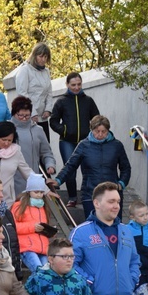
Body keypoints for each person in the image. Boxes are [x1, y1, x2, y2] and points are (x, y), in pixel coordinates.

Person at [50, 115, 131, 219]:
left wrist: (121, 184)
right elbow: (71, 165)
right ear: (91, 130)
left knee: (113, 228)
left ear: (108, 130)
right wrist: (58, 180)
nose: (100, 134)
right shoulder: (83, 145)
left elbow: (126, 168)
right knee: (93, 229)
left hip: (112, 193)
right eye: (97, 131)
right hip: (90, 193)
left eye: (104, 131)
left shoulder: (117, 145)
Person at [50, 72, 100, 208]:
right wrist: (65, 130)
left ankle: (87, 197)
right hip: (67, 142)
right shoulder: (61, 101)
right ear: (67, 85)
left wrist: (93, 133)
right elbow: (53, 121)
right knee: (70, 169)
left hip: (86, 142)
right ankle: (72, 197)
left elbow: (97, 119)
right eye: (73, 85)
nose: (76, 87)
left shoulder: (88, 101)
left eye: (79, 84)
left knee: (87, 170)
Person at [10, 96, 55, 195]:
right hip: (12, 180)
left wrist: (50, 164)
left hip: (33, 177)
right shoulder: (7, 128)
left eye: (27, 115)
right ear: (13, 113)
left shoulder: (38, 130)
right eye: (21, 115)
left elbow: (46, 152)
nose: (24, 118)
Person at [11, 174, 52, 274]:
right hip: (27, 247)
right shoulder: (19, 205)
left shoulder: (43, 207)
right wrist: (32, 227)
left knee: (47, 274)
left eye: (41, 192)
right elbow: (13, 227)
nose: (39, 195)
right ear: (29, 191)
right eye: (36, 192)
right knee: (40, 273)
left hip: (43, 248)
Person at [14, 42, 53, 141]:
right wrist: (32, 113)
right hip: (29, 117)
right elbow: (22, 94)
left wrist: (48, 109)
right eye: (41, 56)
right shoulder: (25, 70)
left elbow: (49, 92)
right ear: (34, 56)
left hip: (43, 118)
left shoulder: (46, 72)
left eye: (46, 57)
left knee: (45, 148)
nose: (43, 60)